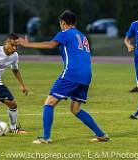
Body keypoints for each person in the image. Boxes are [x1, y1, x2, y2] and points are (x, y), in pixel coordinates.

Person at [18, 10, 109, 144]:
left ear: (63, 23)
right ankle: (101, 134)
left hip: (72, 73)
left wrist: (27, 44)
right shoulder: (82, 36)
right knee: (75, 108)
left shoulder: (65, 33)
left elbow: (50, 45)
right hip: (86, 75)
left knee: (49, 103)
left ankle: (45, 137)